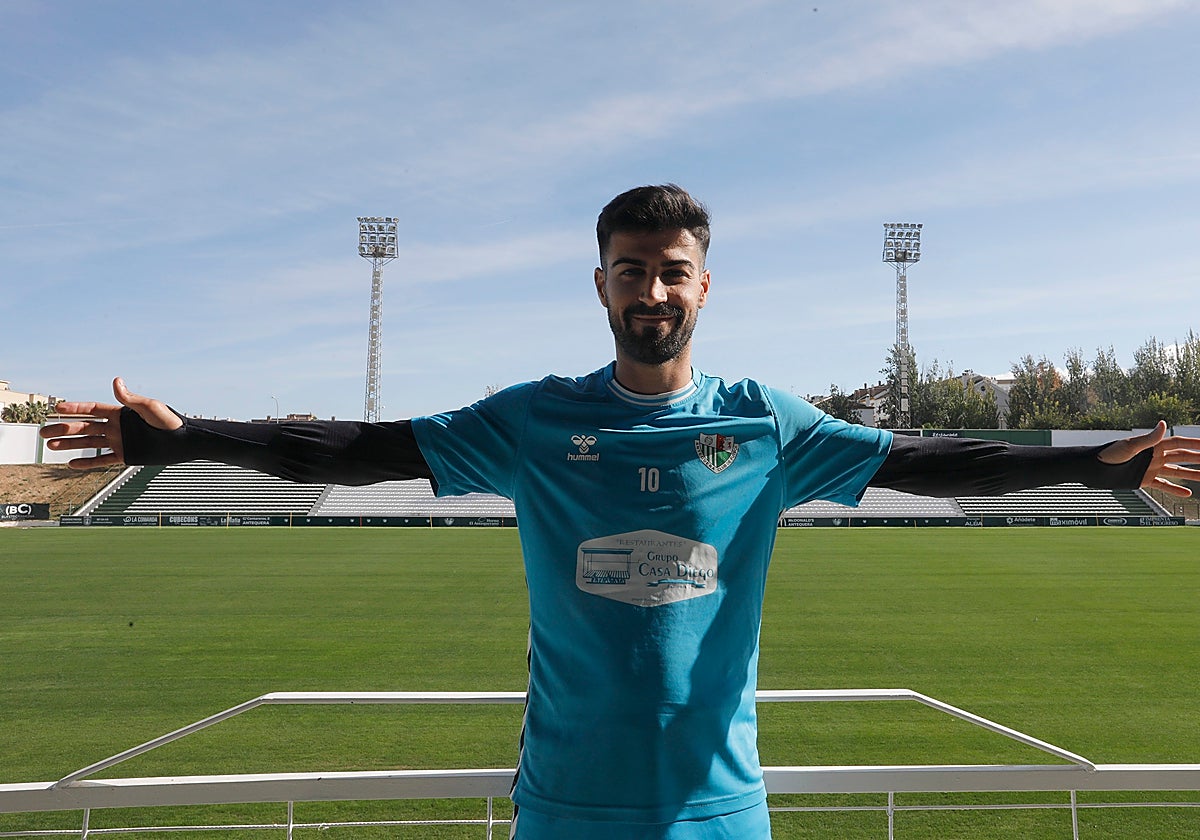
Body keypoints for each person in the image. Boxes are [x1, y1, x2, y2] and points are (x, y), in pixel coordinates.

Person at [42, 185, 1199, 839]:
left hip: (720, 809)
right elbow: (358, 452)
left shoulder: (765, 423)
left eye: (672, 269)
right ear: (600, 283)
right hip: (562, 808)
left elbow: (927, 460)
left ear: (705, 284)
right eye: (631, 268)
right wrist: (191, 439)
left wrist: (1098, 462)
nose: (653, 289)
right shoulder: (533, 419)